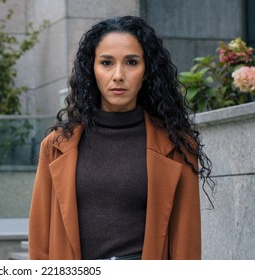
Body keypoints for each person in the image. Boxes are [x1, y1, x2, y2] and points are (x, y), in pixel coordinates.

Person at [28, 15, 214, 260]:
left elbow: (186, 246)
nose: (118, 75)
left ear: (147, 71)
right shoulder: (56, 145)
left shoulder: (177, 145)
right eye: (106, 63)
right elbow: (40, 239)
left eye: (131, 62)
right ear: (91, 69)